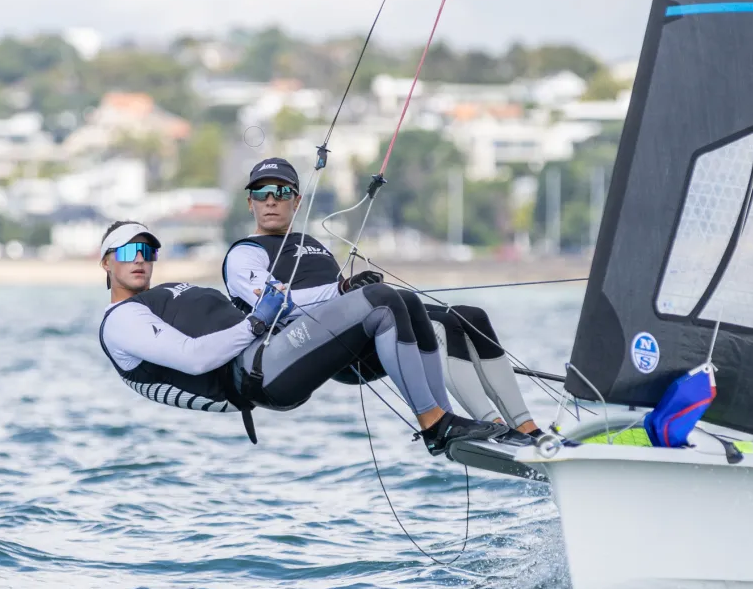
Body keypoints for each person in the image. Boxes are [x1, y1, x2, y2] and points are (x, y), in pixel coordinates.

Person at [97, 220, 510, 456]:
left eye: (147, 252)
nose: (141, 261)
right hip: (256, 374)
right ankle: (437, 427)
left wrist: (295, 305)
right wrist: (257, 323)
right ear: (105, 262)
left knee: (407, 303)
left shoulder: (165, 294)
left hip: (275, 350)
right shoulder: (120, 320)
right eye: (129, 252)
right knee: (380, 301)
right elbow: (194, 358)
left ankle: (456, 419)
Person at [222, 158, 544, 439]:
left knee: (463, 317)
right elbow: (277, 304)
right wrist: (343, 291)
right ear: (250, 203)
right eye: (261, 193)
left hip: (355, 335)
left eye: (281, 192)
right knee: (383, 298)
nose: (271, 201)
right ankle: (434, 422)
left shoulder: (312, 245)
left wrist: (346, 291)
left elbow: (340, 300)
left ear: (297, 201)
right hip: (298, 353)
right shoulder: (245, 254)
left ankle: (514, 427)